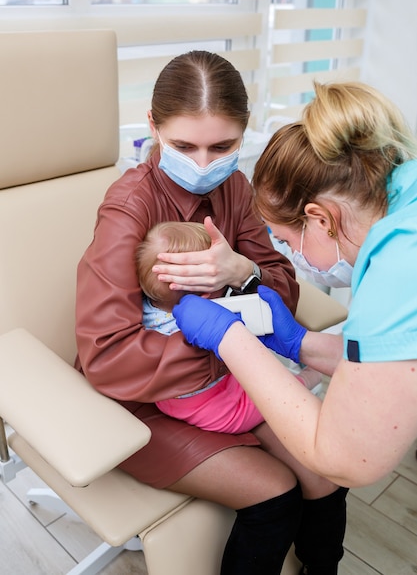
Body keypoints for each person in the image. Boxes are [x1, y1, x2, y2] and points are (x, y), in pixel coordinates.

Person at [75, 51, 348, 575]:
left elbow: (282, 289)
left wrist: (241, 272)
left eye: (222, 146)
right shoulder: (128, 208)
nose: (204, 164)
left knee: (326, 476)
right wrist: (232, 345)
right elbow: (107, 358)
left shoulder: (236, 188)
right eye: (183, 146)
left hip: (233, 380)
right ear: (153, 127)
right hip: (152, 399)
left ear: (243, 134)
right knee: (277, 492)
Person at [172, 79, 417, 491]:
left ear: (321, 219)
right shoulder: (403, 193)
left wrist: (230, 338)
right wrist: (297, 342)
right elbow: (390, 368)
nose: (288, 254)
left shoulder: (396, 271)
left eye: (285, 240)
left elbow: (343, 460)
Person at [136, 220, 322, 434]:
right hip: (216, 408)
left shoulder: (145, 310)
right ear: (205, 293)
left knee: (258, 377)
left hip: (169, 398)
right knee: (266, 401)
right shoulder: (203, 316)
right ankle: (305, 380)